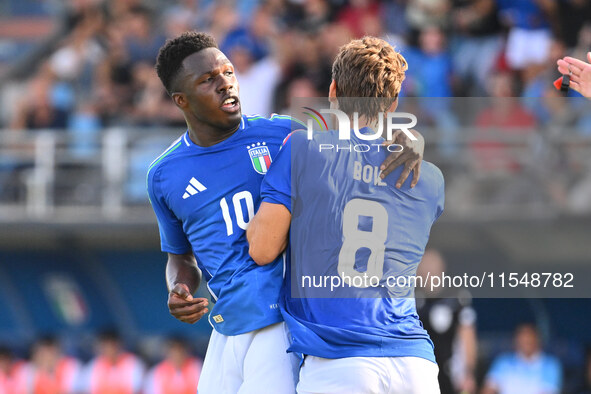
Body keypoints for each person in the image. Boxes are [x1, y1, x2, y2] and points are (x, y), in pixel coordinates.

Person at [147, 31, 425, 394]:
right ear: (181, 99)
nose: (226, 84)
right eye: (207, 80)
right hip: (226, 324)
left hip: (281, 320)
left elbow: (359, 140)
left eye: (228, 73)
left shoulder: (284, 134)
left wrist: (406, 140)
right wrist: (179, 286)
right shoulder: (163, 175)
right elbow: (180, 256)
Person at [247, 36, 444, 393]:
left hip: (341, 359)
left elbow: (262, 250)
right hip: (415, 363)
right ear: (395, 101)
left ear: (333, 90)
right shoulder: (430, 178)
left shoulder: (304, 150)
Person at [416, 249, 477, 394]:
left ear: (442, 269)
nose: (428, 273)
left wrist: (468, 373)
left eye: (433, 268)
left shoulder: (457, 298)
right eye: (424, 269)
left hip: (451, 375)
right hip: (420, 373)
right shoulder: (411, 299)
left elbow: (467, 336)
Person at [481, 323, 562, 394]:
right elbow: (489, 389)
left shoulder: (550, 364)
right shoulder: (503, 361)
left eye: (529, 337)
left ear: (537, 339)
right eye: (522, 337)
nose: (525, 341)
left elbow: (547, 391)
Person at [77, 330, 145, 394]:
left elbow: (137, 390)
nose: (107, 349)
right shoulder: (93, 366)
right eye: (104, 346)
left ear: (118, 345)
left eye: (110, 345)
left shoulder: (133, 363)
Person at [12, 336, 81, 394]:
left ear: (58, 355)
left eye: (50, 355)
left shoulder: (70, 367)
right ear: (34, 356)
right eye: (42, 355)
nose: (46, 359)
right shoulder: (25, 371)